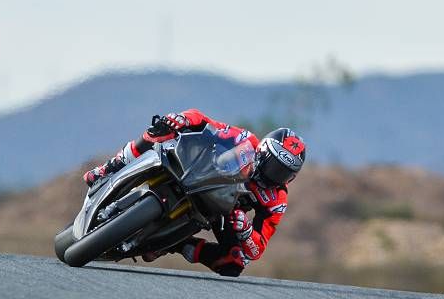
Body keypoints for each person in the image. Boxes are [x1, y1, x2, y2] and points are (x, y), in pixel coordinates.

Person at [84, 110, 306, 276]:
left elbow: (257, 249)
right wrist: (182, 120)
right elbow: (206, 122)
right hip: (198, 170)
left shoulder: (277, 200)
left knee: (235, 263)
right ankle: (109, 168)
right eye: (273, 166)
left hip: (222, 208)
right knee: (159, 131)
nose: (274, 176)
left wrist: (245, 229)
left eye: (283, 173)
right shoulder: (245, 139)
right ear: (263, 151)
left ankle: (176, 244)